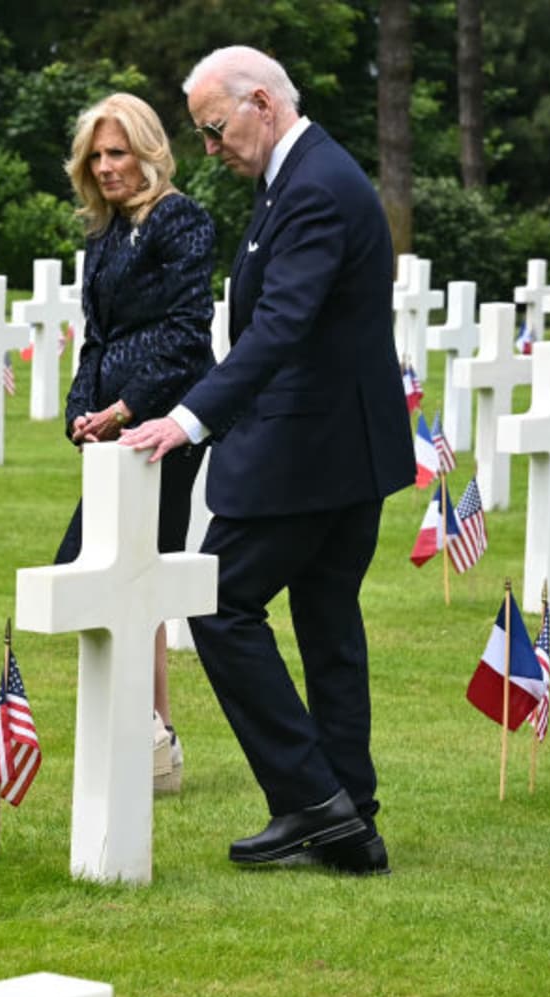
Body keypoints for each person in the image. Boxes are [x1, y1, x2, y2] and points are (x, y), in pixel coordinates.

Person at [119, 47, 412, 873]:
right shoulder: (303, 174)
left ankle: (313, 802)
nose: (209, 149)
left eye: (214, 130)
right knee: (326, 620)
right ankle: (349, 815)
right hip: (338, 446)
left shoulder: (314, 186)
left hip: (308, 449)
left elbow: (279, 327)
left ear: (261, 104)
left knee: (216, 599)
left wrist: (187, 420)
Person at [58, 92, 216, 796]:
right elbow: (98, 337)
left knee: (125, 571)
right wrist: (81, 410)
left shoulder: (179, 221)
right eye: (96, 155)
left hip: (161, 426)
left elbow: (188, 333)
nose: (106, 166)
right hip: (112, 427)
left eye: (117, 152)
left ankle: (151, 733)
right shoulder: (103, 234)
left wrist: (126, 410)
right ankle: (152, 733)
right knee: (111, 570)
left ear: (149, 151)